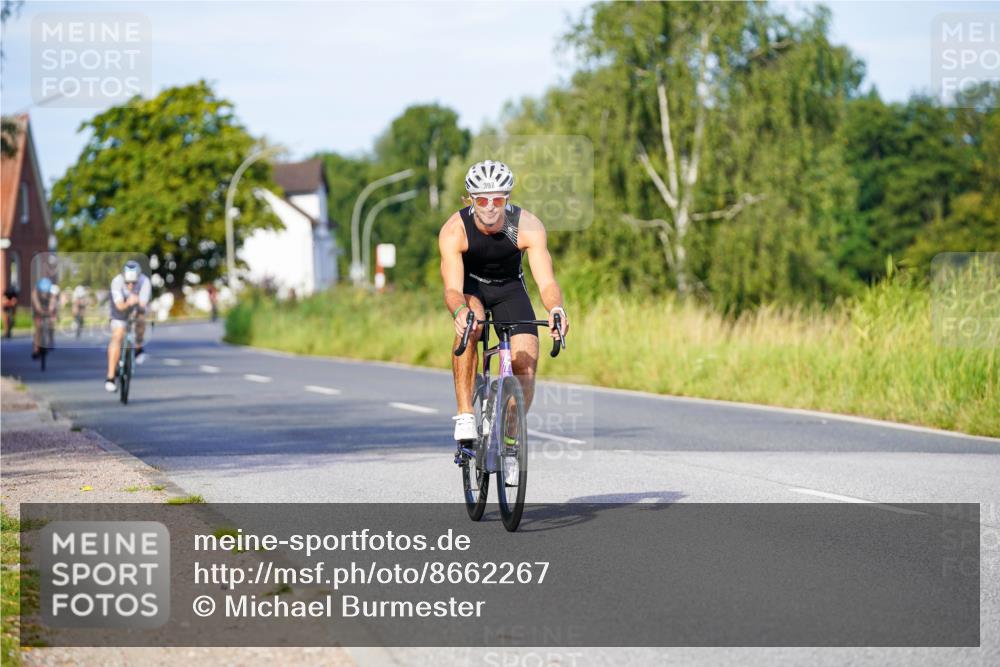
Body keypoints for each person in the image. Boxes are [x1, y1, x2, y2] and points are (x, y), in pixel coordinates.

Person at [438, 160, 570, 470]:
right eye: (482, 200)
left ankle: (510, 441)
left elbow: (547, 281)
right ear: (471, 200)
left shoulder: (527, 226)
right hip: (472, 290)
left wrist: (556, 309)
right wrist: (459, 311)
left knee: (526, 363)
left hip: (511, 289)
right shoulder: (455, 231)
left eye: (497, 199)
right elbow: (452, 289)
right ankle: (466, 415)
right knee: (472, 323)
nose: (489, 207)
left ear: (506, 199)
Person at [105, 260, 151, 392]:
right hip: (120, 308)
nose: (131, 285)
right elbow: (119, 306)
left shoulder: (144, 281)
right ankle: (110, 376)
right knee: (118, 335)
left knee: (141, 319)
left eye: (134, 282)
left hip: (136, 306)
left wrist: (136, 304)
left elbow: (142, 305)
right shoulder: (117, 282)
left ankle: (138, 347)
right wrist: (129, 301)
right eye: (128, 282)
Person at [30, 277, 57, 358]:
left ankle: (51, 340)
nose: (44, 294)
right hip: (38, 310)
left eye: (46, 292)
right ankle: (36, 349)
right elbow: (36, 305)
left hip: (47, 308)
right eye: (42, 292)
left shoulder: (52, 294)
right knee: (38, 327)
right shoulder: (35, 293)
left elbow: (52, 304)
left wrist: (50, 311)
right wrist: (40, 310)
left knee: (51, 322)